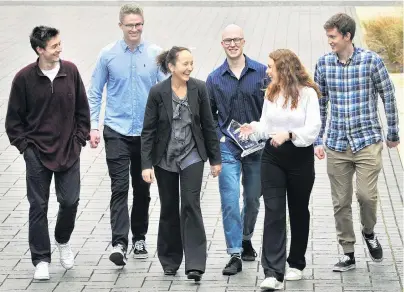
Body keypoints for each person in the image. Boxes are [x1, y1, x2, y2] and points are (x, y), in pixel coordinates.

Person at [313, 13, 400, 272]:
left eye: (333, 37)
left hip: (367, 141)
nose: (329, 41)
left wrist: (393, 133)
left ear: (347, 36)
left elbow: (388, 95)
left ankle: (369, 232)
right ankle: (348, 252)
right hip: (337, 143)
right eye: (328, 36)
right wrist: (318, 139)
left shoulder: (371, 61)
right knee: (340, 202)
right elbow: (320, 103)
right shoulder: (324, 64)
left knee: (366, 196)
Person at [5, 26, 91, 280]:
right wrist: (26, 148)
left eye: (59, 44)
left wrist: (79, 139)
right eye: (54, 46)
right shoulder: (23, 79)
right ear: (39, 50)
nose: (59, 49)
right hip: (37, 153)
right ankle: (41, 259)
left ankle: (62, 240)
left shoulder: (71, 72)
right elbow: (13, 121)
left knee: (70, 201)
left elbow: (83, 112)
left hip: (69, 150)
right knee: (38, 206)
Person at [87, 4, 166, 266]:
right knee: (119, 187)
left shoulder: (156, 54)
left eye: (139, 24)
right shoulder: (107, 55)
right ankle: (119, 242)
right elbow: (96, 92)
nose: (135, 29)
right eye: (130, 24)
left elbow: (167, 91)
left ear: (143, 24)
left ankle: (139, 236)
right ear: (120, 25)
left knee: (142, 188)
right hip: (116, 131)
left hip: (146, 135)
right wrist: (94, 126)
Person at [240, 49, 321, 290]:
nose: (267, 71)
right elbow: (266, 125)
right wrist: (252, 128)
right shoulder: (272, 93)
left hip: (300, 159)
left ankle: (296, 262)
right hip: (272, 159)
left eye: (270, 66)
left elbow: (313, 127)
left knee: (298, 210)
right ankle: (273, 273)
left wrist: (290, 134)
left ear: (283, 69)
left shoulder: (308, 94)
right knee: (273, 211)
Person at [141, 46, 221, 282]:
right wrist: (146, 164)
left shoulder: (199, 88)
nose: (189, 68)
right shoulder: (157, 92)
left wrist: (215, 159)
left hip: (192, 155)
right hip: (165, 159)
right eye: (184, 63)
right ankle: (170, 259)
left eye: (191, 63)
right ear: (171, 67)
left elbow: (208, 124)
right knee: (168, 208)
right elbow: (148, 131)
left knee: (190, 205)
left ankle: (195, 263)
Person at [206, 24, 267, 276]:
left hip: (257, 148)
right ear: (222, 45)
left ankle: (245, 237)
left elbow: (271, 110)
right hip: (228, 148)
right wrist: (218, 140)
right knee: (230, 201)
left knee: (253, 199)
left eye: (236, 40)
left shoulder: (262, 73)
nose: (232, 44)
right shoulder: (214, 78)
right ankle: (234, 253)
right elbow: (209, 117)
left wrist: (263, 132)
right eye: (227, 41)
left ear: (244, 42)